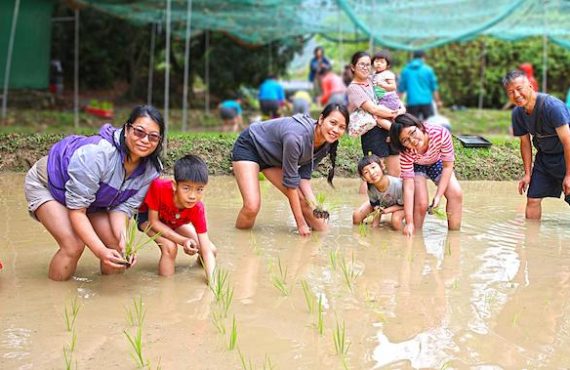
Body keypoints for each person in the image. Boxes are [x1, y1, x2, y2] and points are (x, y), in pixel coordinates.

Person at [24, 105, 165, 281]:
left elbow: (122, 209)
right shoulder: (98, 154)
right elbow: (77, 211)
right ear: (127, 129)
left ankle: (109, 300)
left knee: (116, 247)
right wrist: (100, 251)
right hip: (48, 184)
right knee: (73, 246)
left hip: (93, 197)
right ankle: (57, 302)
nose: (145, 140)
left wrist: (124, 243)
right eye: (139, 132)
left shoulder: (151, 170)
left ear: (159, 141)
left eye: (153, 137)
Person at [231, 103, 348, 236]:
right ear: (321, 120)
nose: (336, 130)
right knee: (252, 207)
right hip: (251, 146)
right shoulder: (296, 137)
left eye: (342, 127)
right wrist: (301, 224)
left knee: (313, 214)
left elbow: (303, 178)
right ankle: (240, 243)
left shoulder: (326, 144)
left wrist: (316, 207)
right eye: (333, 123)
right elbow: (291, 183)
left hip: (274, 157)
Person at [138, 154, 217, 282]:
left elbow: (206, 248)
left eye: (199, 189)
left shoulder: (198, 208)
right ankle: (166, 290)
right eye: (186, 188)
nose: (192, 196)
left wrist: (213, 284)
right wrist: (183, 240)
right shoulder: (159, 187)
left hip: (174, 220)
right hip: (149, 219)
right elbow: (154, 222)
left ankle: (201, 266)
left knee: (211, 250)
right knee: (170, 247)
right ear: (175, 185)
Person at [503, 69, 570, 219]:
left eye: (519, 89)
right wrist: (527, 174)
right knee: (533, 199)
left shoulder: (553, 107)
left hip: (566, 156)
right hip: (544, 158)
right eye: (511, 92)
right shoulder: (517, 114)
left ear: (531, 86)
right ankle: (531, 240)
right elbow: (525, 143)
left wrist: (569, 175)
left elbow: (567, 142)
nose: (517, 95)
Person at [389, 113, 463, 237]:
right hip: (416, 164)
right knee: (421, 204)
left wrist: (438, 196)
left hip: (437, 161)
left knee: (456, 193)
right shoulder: (405, 152)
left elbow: (447, 166)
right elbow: (408, 187)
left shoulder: (440, 134)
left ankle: (454, 237)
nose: (412, 141)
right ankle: (415, 237)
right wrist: (409, 222)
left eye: (412, 133)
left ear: (419, 126)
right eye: (405, 140)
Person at [347, 51, 402, 178]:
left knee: (396, 170)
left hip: (389, 127)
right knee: (374, 170)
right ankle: (366, 197)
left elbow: (393, 96)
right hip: (373, 132)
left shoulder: (375, 79)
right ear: (353, 67)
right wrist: (394, 114)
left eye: (368, 64)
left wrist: (401, 109)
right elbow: (373, 109)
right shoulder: (354, 88)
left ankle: (394, 196)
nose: (366, 67)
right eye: (362, 64)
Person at [352, 154, 405, 230]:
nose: (371, 173)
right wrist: (375, 228)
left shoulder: (398, 185)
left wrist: (386, 211)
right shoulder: (371, 188)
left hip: (403, 205)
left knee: (396, 220)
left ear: (382, 166)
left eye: (373, 167)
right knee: (357, 216)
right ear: (364, 178)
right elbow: (376, 206)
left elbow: (405, 205)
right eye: (366, 172)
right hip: (383, 205)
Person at [398, 50, 442, 121]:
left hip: (412, 103)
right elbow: (434, 88)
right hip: (426, 102)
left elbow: (401, 89)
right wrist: (438, 101)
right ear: (423, 57)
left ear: (413, 57)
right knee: (430, 124)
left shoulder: (406, 71)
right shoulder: (428, 70)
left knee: (413, 126)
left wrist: (398, 103)